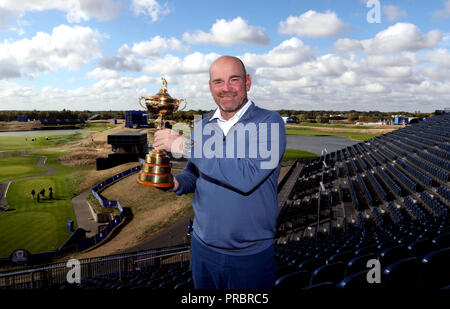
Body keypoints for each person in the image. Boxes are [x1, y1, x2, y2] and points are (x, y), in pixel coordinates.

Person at [153, 55, 286, 289]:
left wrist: (185, 146)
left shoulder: (270, 123)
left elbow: (246, 177)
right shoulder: (203, 125)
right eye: (218, 82)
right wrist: (174, 183)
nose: (226, 88)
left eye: (233, 80)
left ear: (247, 82)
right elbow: (194, 174)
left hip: (249, 256)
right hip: (202, 249)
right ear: (210, 87)